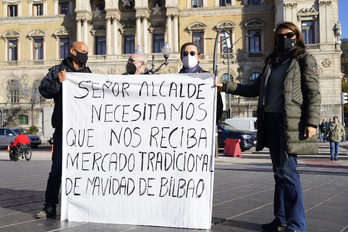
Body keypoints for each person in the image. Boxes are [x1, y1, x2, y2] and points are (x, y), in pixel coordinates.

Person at [216, 22, 321, 232]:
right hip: (270, 120)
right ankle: (280, 218)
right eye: (280, 36)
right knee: (278, 173)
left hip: (288, 120)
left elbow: (313, 93)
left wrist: (312, 122)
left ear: (296, 36)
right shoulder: (272, 61)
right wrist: (225, 86)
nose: (284, 39)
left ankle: (297, 225)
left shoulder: (303, 59)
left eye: (288, 35)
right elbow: (253, 89)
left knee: (289, 173)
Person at [36, 41, 91, 219]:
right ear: (72, 51)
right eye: (82, 52)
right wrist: (59, 83)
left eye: (87, 52)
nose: (85, 55)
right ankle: (50, 206)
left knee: (85, 167)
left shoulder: (88, 73)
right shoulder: (56, 70)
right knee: (57, 168)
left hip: (84, 128)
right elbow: (44, 90)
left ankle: (84, 206)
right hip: (63, 126)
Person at [179, 42, 223, 125]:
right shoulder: (174, 80)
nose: (189, 56)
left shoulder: (208, 79)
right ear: (181, 58)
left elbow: (218, 106)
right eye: (185, 54)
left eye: (192, 53)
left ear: (198, 57)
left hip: (202, 128)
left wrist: (210, 125)